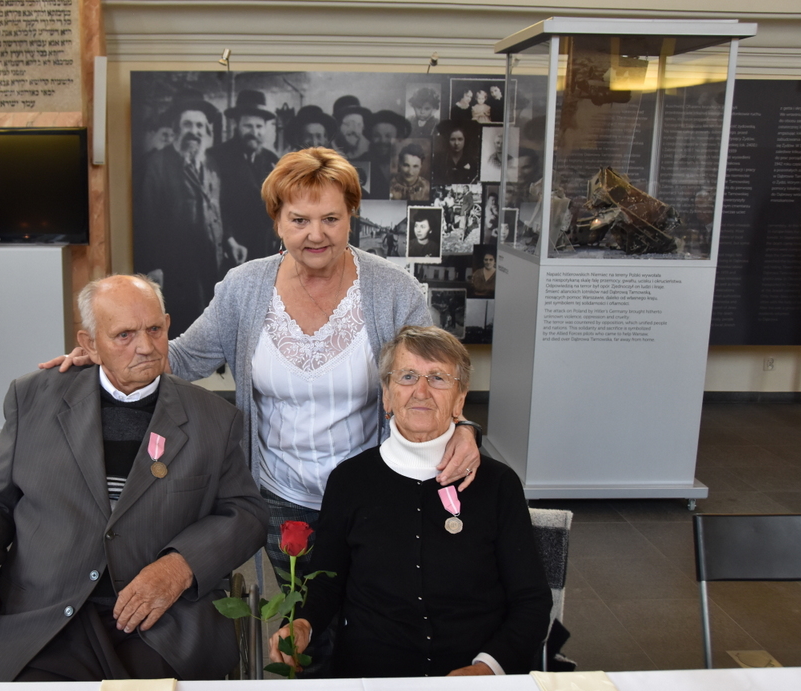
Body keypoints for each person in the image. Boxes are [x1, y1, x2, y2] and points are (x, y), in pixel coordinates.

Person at [43, 148, 482, 597]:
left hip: (370, 491)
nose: (316, 235)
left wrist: (462, 425)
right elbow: (183, 357)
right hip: (276, 494)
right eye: (299, 220)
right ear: (277, 220)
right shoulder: (244, 287)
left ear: (352, 216)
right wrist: (104, 354)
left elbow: (433, 375)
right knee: (298, 615)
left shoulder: (393, 290)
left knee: (369, 609)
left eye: (331, 218)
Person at [0, 275, 267, 682]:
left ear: (168, 324)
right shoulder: (34, 400)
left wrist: (179, 567)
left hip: (161, 626)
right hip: (46, 620)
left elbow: (246, 514)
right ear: (90, 344)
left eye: (154, 329)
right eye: (123, 335)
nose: (146, 347)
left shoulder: (213, 418)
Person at [268, 326, 552, 678]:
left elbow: (532, 602)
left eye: (438, 378)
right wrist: (303, 625)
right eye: (406, 376)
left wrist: (488, 667)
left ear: (460, 399)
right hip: (372, 678)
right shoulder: (350, 481)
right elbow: (327, 582)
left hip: (474, 678)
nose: (421, 391)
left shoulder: (498, 485)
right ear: (387, 395)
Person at [134, 97, 225, 337]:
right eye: (188, 125)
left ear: (206, 131)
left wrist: (229, 241)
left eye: (199, 126)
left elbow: (216, 208)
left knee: (207, 324)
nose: (193, 132)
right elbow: (146, 216)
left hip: (210, 262)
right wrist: (153, 266)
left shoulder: (211, 163)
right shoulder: (157, 164)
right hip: (175, 266)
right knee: (182, 328)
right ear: (176, 129)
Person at [212, 90, 280, 268]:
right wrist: (229, 239)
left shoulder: (271, 160)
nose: (254, 132)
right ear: (236, 125)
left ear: (265, 128)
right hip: (232, 248)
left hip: (265, 248)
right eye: (248, 126)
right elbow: (215, 205)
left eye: (259, 127)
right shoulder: (217, 157)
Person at [365, 110, 411, 199]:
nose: (382, 141)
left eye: (388, 136)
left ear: (398, 138)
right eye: (377, 136)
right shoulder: (360, 163)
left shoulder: (409, 165)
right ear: (371, 138)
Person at [433, 121, 477, 185]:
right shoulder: (439, 160)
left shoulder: (471, 162)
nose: (456, 143)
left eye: (460, 139)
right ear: (448, 140)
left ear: (465, 141)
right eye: (453, 139)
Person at [331, 95, 371, 160]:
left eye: (358, 125)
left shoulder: (371, 150)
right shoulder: (325, 150)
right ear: (337, 126)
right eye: (348, 124)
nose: (354, 130)